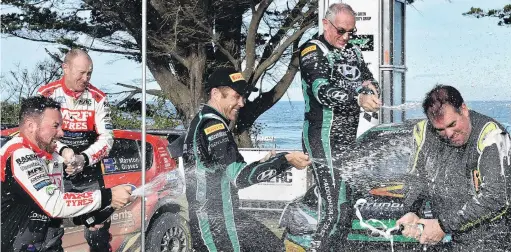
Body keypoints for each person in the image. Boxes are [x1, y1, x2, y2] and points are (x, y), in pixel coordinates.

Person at [182, 67, 311, 251]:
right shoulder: (214, 127)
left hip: (224, 218)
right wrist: (285, 160)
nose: (242, 103)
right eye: (236, 96)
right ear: (216, 94)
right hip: (217, 227)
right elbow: (240, 178)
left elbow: (220, 168)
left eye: (244, 97)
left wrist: (263, 163)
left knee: (274, 247)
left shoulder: (201, 120)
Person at [0, 96, 132, 252]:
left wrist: (84, 217)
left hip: (48, 244)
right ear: (31, 126)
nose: (61, 133)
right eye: (55, 126)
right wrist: (108, 196)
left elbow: (53, 203)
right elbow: (54, 204)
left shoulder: (51, 155)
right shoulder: (18, 154)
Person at [299, 3, 381, 250]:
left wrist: (369, 89)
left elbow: (368, 77)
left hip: (346, 140)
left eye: (351, 32)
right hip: (322, 138)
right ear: (326, 24)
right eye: (341, 31)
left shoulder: (352, 51)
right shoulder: (312, 50)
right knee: (333, 210)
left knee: (347, 211)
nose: (346, 37)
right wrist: (358, 98)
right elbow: (322, 91)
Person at [397, 85, 511, 251]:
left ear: (463, 109)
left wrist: (443, 226)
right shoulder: (423, 132)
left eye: (452, 124)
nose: (449, 134)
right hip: (450, 239)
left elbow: (497, 197)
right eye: (440, 129)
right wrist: (412, 210)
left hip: (492, 242)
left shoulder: (493, 135)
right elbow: (417, 178)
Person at [37, 48, 115, 251]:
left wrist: (84, 159)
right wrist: (63, 151)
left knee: (97, 232)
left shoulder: (98, 98)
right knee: (49, 235)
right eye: (81, 72)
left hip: (87, 172)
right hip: (53, 171)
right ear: (65, 68)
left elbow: (107, 139)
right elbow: (38, 134)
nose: (86, 78)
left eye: (89, 73)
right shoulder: (46, 94)